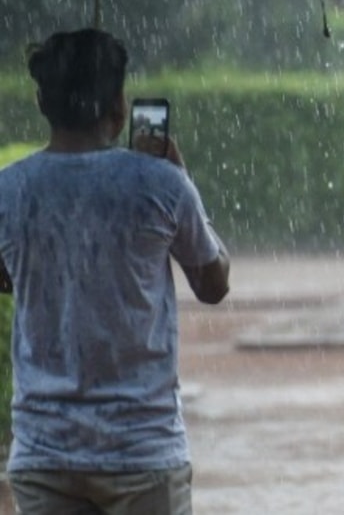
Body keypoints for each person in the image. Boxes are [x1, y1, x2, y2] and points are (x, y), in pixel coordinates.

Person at [0, 28, 231, 514]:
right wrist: (180, 180)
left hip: (44, 453)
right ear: (120, 106)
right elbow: (213, 283)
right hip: (142, 453)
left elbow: (5, 277)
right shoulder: (161, 185)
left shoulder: (8, 190)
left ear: (42, 102)